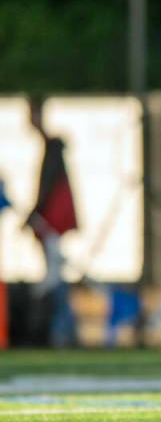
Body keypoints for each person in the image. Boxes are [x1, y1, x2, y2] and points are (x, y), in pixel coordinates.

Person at [25, 97, 79, 348]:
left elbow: (49, 187)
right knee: (55, 274)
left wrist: (35, 213)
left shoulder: (52, 148)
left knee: (55, 277)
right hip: (51, 220)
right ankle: (63, 329)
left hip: (53, 221)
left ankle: (63, 330)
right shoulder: (50, 147)